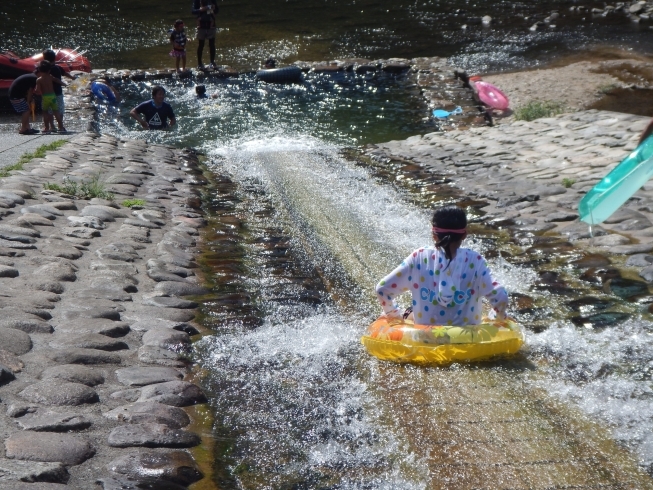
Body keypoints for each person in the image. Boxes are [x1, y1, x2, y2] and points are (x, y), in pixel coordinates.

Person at [375, 206, 509, 326]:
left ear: (434, 235)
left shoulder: (419, 257)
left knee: (408, 312)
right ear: (464, 235)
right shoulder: (476, 260)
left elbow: (382, 289)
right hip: (468, 343)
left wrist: (394, 316)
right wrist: (496, 318)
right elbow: (501, 296)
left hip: (425, 340)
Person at [42, 49, 74, 132]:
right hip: (58, 92)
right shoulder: (58, 68)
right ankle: (60, 126)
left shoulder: (44, 70)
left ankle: (52, 126)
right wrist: (72, 78)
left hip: (47, 93)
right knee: (59, 110)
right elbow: (65, 73)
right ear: (55, 58)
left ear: (44, 58)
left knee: (49, 111)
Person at [35, 61, 65, 134]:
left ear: (39, 70)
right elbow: (57, 80)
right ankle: (61, 127)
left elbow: (37, 90)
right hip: (53, 96)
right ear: (49, 70)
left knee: (45, 112)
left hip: (45, 97)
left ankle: (47, 128)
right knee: (56, 111)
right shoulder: (50, 77)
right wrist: (64, 84)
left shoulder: (39, 80)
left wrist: (35, 92)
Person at [192, 0, 218, 69]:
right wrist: (201, 9)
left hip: (211, 25)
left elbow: (217, 11)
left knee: (212, 44)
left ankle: (212, 62)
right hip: (201, 26)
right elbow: (193, 11)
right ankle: (200, 63)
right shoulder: (196, 1)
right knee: (201, 45)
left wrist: (213, 8)